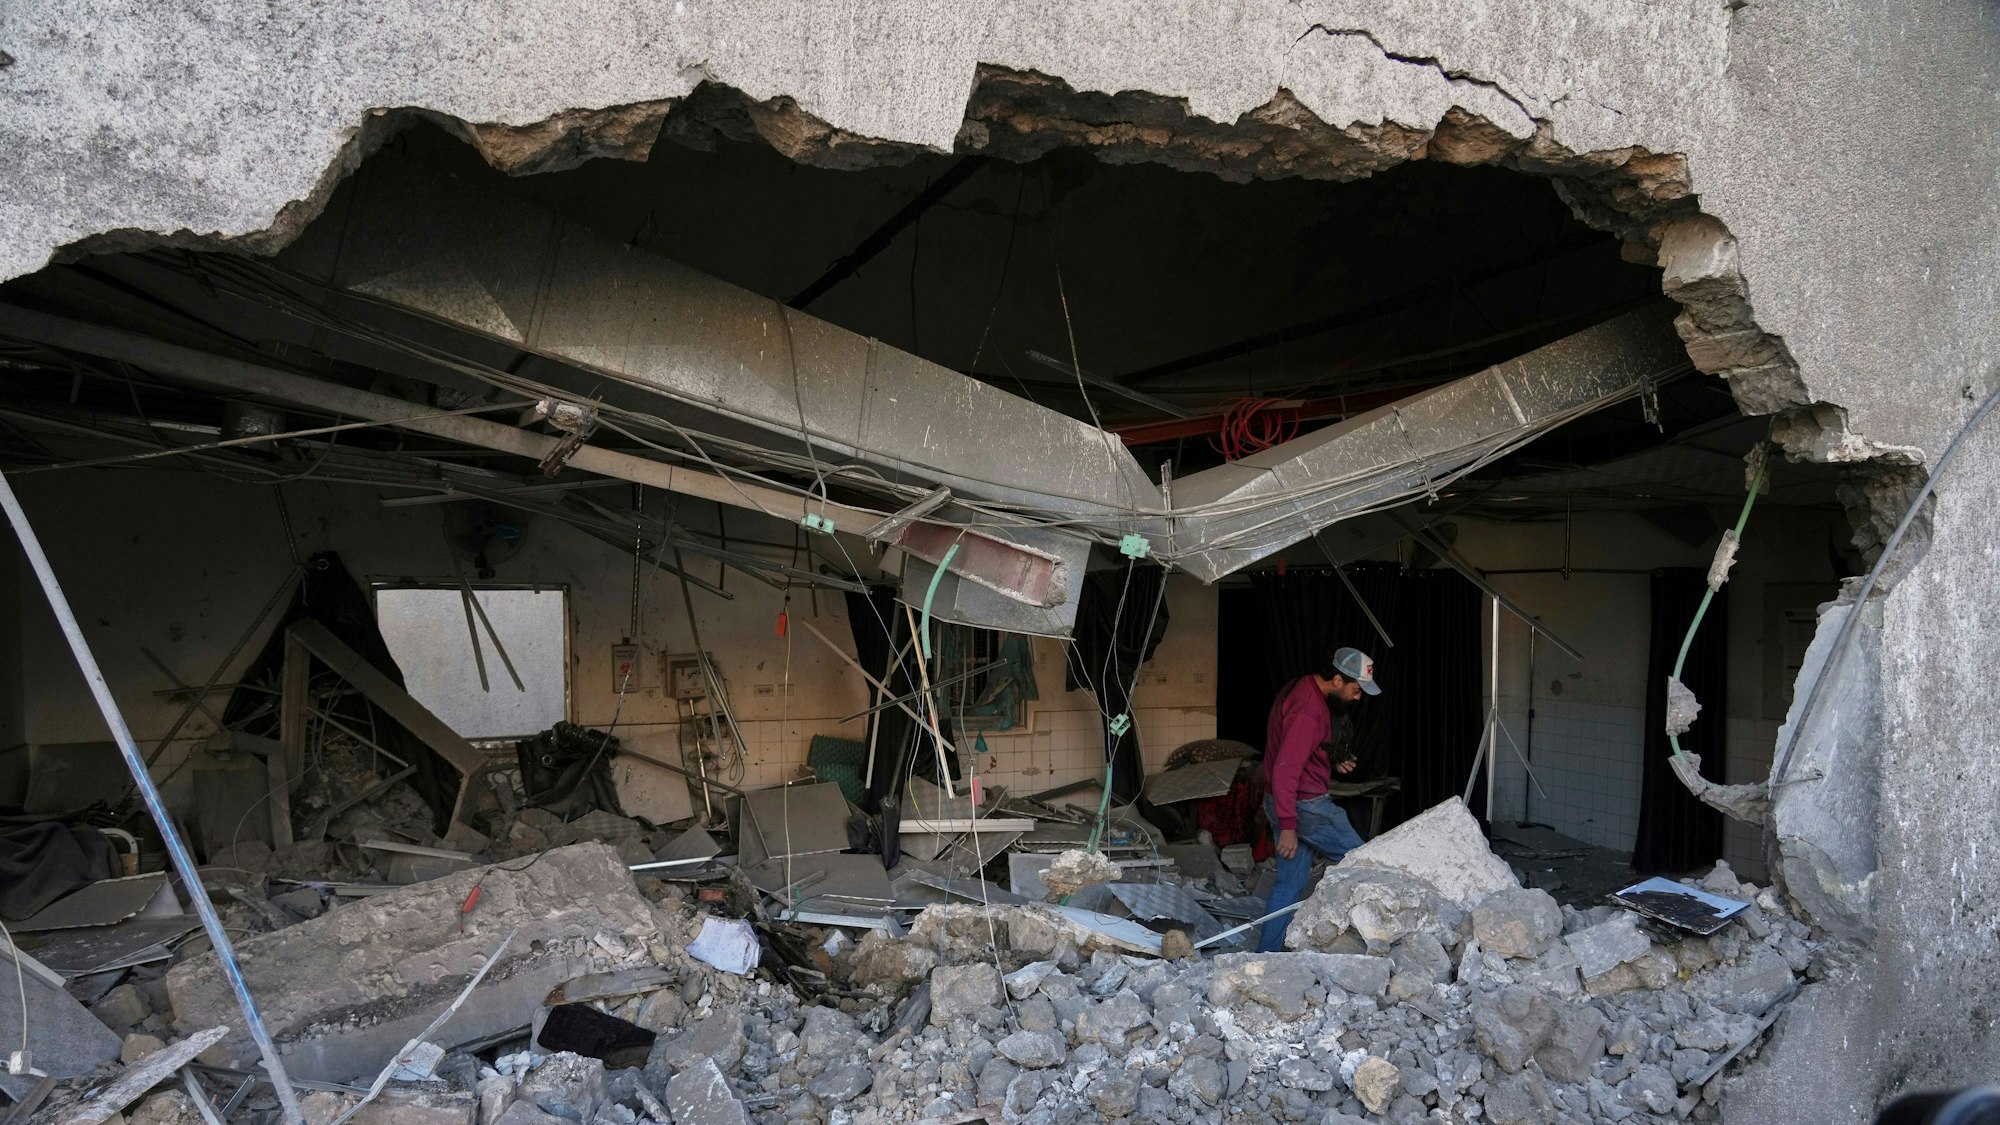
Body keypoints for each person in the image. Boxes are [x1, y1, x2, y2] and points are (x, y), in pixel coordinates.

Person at [1258, 646, 1381, 952]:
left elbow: (1297, 748)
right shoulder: (1309, 712)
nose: (1357, 697)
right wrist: (1289, 826)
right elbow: (1286, 769)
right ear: (1337, 680)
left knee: (1289, 885)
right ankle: (1377, 942)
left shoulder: (1301, 687)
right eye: (1355, 689)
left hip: (1281, 802)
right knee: (1364, 864)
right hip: (1304, 807)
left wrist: (1328, 760)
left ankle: (1267, 955)